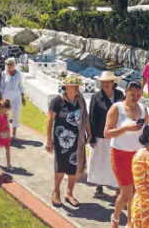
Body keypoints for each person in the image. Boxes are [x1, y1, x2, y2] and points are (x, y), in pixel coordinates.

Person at [105, 81, 148, 227]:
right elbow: (106, 133)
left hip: (138, 155)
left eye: (138, 95)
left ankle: (131, 222)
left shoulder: (143, 109)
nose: (136, 98)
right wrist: (125, 129)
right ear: (126, 92)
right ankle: (115, 218)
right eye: (132, 95)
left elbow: (146, 133)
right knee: (126, 193)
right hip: (120, 154)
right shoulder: (117, 108)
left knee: (136, 192)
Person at [45, 74, 90, 209]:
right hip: (61, 141)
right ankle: (56, 191)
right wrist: (49, 139)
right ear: (66, 87)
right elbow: (49, 120)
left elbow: (85, 117)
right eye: (73, 86)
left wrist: (89, 133)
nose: (76, 88)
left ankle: (69, 192)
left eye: (77, 85)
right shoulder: (57, 101)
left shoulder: (80, 101)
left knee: (73, 168)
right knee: (60, 167)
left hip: (77, 141)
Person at [87, 71, 125, 196]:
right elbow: (92, 117)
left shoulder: (120, 95)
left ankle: (117, 187)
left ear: (113, 83)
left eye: (107, 82)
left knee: (115, 161)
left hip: (116, 133)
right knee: (99, 160)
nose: (105, 84)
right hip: (100, 134)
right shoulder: (96, 97)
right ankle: (99, 185)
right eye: (103, 82)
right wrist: (91, 137)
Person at [0, 58, 26, 139]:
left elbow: (20, 86)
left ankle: (14, 134)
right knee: (5, 115)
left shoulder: (18, 74)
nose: (9, 66)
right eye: (8, 64)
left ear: (14, 65)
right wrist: (1, 99)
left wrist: (23, 97)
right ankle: (5, 133)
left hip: (16, 97)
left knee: (16, 114)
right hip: (6, 98)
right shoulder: (3, 73)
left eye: (11, 64)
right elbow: (1, 86)